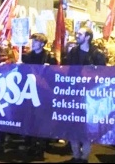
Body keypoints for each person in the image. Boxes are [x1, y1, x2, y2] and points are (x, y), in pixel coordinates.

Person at [64, 26, 106, 163]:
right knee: (73, 124)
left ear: (88, 37)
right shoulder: (73, 52)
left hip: (90, 96)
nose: (77, 36)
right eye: (77, 33)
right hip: (74, 93)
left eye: (80, 34)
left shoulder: (97, 53)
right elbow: (68, 71)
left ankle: (84, 156)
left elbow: (103, 74)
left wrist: (92, 73)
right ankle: (76, 154)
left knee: (87, 126)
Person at [21, 33, 58, 160]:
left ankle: (40, 148)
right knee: (30, 119)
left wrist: (49, 70)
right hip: (30, 92)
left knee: (41, 120)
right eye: (33, 41)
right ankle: (30, 146)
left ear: (42, 44)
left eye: (36, 41)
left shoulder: (49, 57)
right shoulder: (27, 57)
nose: (33, 43)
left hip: (43, 93)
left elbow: (56, 75)